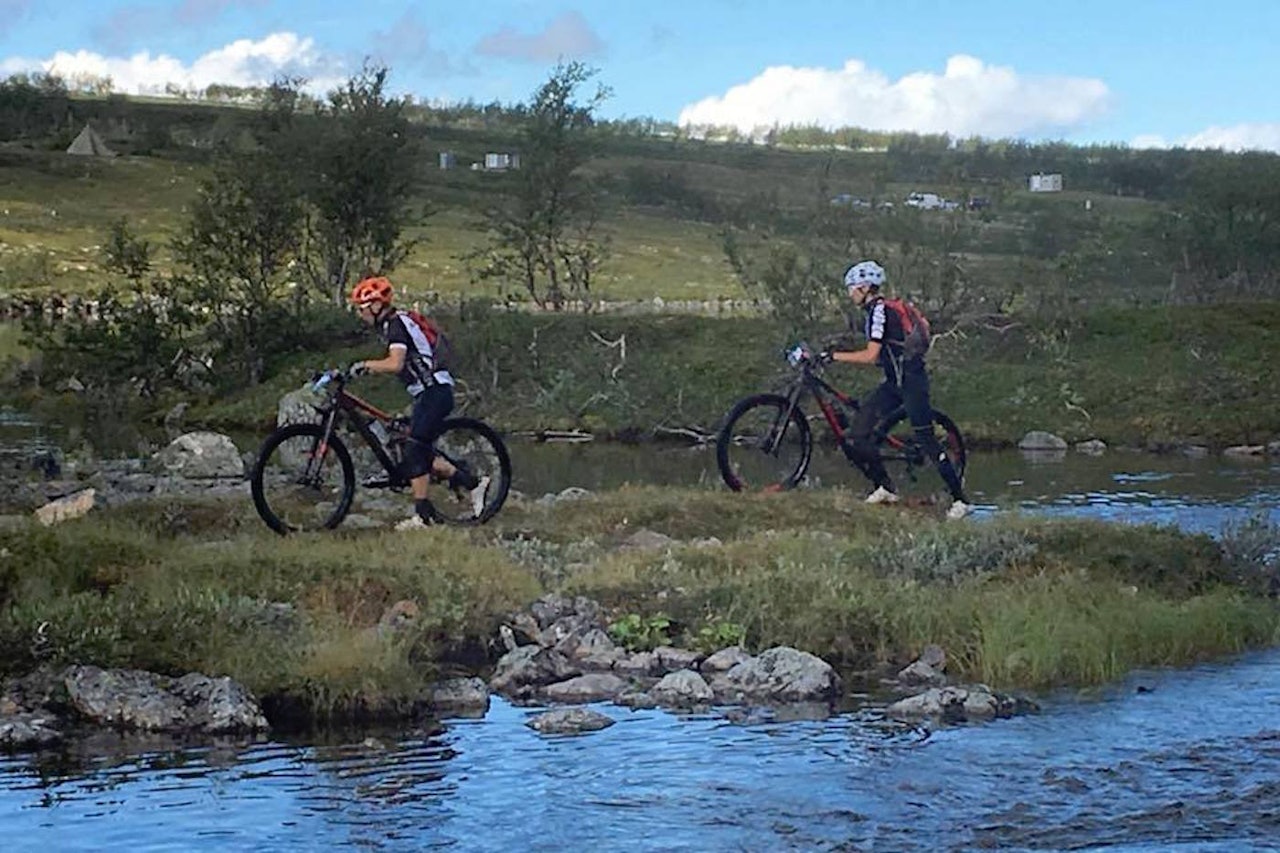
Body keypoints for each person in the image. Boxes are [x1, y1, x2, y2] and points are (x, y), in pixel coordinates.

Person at [823, 260, 971, 520]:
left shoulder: (880, 311)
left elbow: (871, 355)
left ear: (865, 288)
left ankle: (961, 500)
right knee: (858, 433)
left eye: (852, 288)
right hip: (894, 383)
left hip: (913, 382)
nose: (850, 294)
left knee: (926, 439)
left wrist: (834, 356)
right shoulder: (873, 312)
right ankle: (885, 487)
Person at [347, 276, 489, 529]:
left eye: (362, 308)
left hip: (435, 391)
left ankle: (423, 516)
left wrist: (365, 365)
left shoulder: (395, 326)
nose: (360, 314)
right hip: (429, 392)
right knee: (416, 448)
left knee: (414, 449)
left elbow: (396, 363)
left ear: (376, 306)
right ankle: (471, 481)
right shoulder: (395, 323)